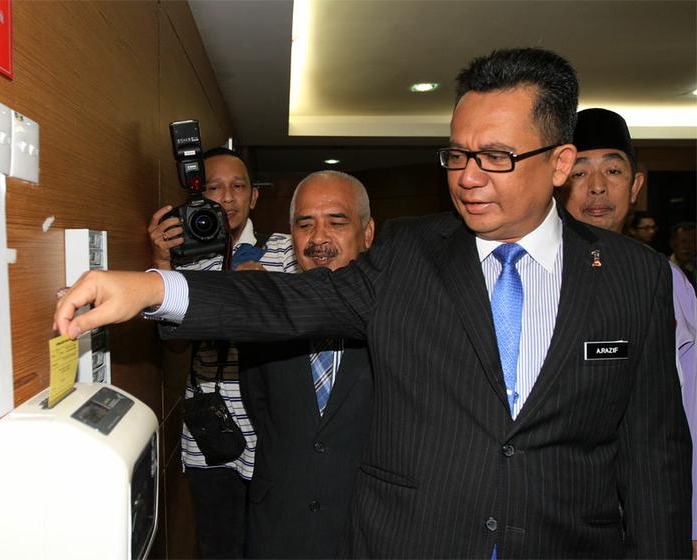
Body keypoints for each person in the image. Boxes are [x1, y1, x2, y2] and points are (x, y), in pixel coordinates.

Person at [55, 48, 691, 557]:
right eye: (457, 154)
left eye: (496, 156)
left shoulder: (634, 277)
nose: (468, 176)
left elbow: (654, 454)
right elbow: (289, 302)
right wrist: (152, 288)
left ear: (559, 163)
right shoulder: (411, 255)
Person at [146, 146, 298, 558]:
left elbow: (310, 319)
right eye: (214, 188)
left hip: (275, 429)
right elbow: (173, 343)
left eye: (238, 187)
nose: (227, 198)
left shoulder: (284, 250)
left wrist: (265, 290)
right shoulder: (186, 262)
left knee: (273, 545)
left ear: (254, 196)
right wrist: (162, 260)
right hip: (210, 431)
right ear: (198, 197)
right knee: (219, 547)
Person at [560, 107, 697, 554]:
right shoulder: (532, 271)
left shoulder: (666, 279)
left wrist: (689, 523)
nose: (597, 186)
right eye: (581, 172)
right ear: (558, 179)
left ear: (636, 185)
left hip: (644, 518)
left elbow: (685, 412)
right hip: (557, 513)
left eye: (613, 170)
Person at [240, 170, 375, 558]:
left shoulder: (394, 316)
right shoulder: (264, 314)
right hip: (277, 525)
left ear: (367, 234)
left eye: (336, 222)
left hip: (362, 526)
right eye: (305, 224)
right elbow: (259, 405)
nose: (318, 239)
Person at [671, 222, 697, 291]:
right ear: (672, 243)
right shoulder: (661, 267)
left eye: (692, 241)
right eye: (683, 241)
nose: (687, 246)